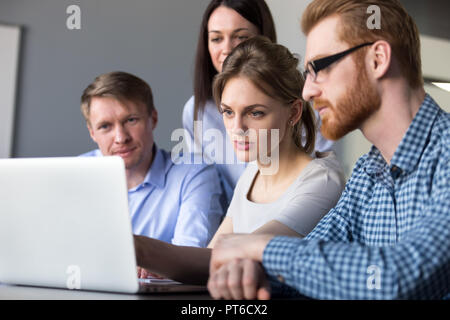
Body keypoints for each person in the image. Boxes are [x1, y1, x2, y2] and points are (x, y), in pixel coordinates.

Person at [207, 0, 450, 300]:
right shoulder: (366, 173)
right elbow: (313, 256)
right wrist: (254, 270)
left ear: (377, 59)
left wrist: (259, 248)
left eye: (320, 67)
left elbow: (396, 279)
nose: (308, 91)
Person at [134, 36, 345, 283]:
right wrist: (169, 268)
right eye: (228, 112)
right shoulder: (252, 173)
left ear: (294, 111)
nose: (237, 128)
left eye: (255, 113)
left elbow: (241, 252)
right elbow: (212, 254)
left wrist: (140, 249)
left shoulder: (322, 181)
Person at [182, 0, 334, 208]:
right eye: (216, 38)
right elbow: (204, 191)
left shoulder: (306, 105)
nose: (226, 49)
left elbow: (318, 188)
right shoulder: (196, 111)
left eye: (241, 37)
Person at [79, 71, 223, 247]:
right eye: (105, 126)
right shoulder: (76, 175)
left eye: (131, 120)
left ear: (153, 119)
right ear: (92, 132)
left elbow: (191, 257)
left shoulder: (194, 174)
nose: (120, 138)